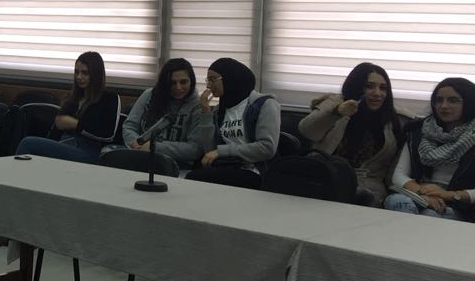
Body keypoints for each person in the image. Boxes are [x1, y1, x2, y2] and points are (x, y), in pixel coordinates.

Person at [298, 62, 402, 206]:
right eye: (369, 86)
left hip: (369, 191)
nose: (377, 93)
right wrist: (336, 113)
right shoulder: (336, 103)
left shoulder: (394, 119)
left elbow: (394, 170)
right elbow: (307, 130)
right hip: (325, 179)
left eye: (383, 88)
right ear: (357, 86)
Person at [384, 77, 475, 220]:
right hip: (419, 193)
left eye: (452, 100)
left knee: (430, 215)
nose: (443, 106)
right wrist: (423, 193)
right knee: (397, 202)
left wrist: (448, 195)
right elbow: (399, 175)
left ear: (469, 102)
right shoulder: (419, 130)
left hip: (457, 202)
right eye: (438, 100)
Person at [186, 57, 279, 189]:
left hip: (254, 171)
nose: (208, 86)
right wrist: (206, 112)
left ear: (230, 78)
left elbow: (266, 148)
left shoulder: (264, 104)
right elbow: (210, 150)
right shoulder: (220, 109)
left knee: (195, 179)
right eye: (208, 80)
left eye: (213, 79)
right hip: (226, 167)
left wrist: (221, 152)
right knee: (195, 178)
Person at [18, 51, 120, 163]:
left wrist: (75, 124)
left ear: (96, 74)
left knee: (27, 143)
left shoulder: (110, 98)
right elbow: (58, 125)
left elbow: (108, 134)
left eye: (85, 73)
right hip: (66, 143)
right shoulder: (74, 97)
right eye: (77, 72)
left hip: (90, 150)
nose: (79, 77)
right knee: (33, 146)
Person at [121, 57, 209, 169]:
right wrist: (137, 144)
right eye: (172, 83)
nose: (178, 87)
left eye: (183, 82)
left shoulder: (197, 105)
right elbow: (129, 126)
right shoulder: (149, 95)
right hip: (139, 156)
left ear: (191, 82)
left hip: (176, 164)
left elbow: (195, 148)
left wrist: (154, 147)